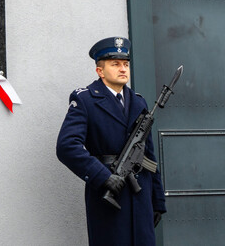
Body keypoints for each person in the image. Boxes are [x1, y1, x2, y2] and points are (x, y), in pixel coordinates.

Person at [56, 36, 167, 246]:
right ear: (100, 71)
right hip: (109, 195)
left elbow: (148, 156)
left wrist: (157, 200)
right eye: (115, 64)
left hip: (141, 196)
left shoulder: (138, 101)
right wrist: (102, 176)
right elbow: (66, 146)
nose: (123, 69)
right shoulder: (85, 99)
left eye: (125, 64)